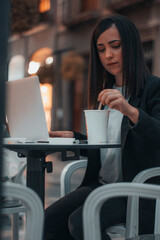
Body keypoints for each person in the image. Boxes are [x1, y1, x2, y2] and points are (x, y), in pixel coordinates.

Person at [44, 14, 160, 240]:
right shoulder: (103, 93)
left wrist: (132, 112)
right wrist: (75, 138)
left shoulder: (153, 88)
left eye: (115, 46)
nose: (108, 55)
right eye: (101, 49)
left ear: (131, 46)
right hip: (102, 186)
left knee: (80, 221)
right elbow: (108, 146)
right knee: (48, 220)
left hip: (135, 191)